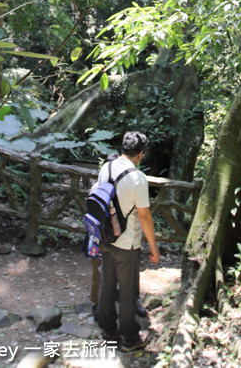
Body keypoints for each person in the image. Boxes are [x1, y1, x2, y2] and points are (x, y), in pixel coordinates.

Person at [97, 131, 160, 353]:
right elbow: (144, 216)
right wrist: (154, 248)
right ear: (141, 154)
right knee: (127, 291)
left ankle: (107, 329)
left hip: (104, 236)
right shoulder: (137, 178)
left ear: (123, 148)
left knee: (107, 284)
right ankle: (130, 337)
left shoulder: (107, 167)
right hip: (127, 243)